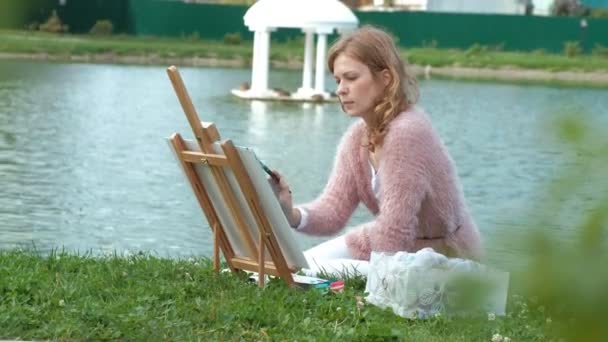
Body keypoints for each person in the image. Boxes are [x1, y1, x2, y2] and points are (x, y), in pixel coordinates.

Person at [271, 26, 482, 273]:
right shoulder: (356, 138)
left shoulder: (409, 132)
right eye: (338, 80)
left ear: (386, 79)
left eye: (351, 78)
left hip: (442, 258)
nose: (340, 89)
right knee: (294, 266)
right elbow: (333, 210)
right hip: (391, 245)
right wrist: (290, 213)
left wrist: (365, 283)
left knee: (306, 271)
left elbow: (396, 231)